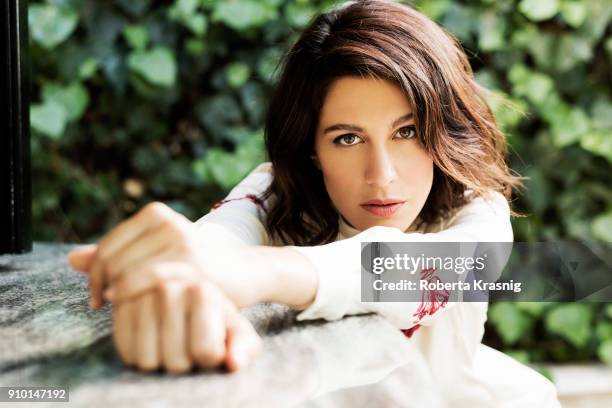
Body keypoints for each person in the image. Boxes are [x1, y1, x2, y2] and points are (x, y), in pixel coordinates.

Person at [68, 0, 561, 406]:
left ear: (443, 131)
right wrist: (184, 280)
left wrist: (253, 274)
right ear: (312, 148)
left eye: (407, 132)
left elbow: (414, 269)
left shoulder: (478, 213)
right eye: (347, 138)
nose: (382, 174)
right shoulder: (274, 192)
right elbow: (215, 245)